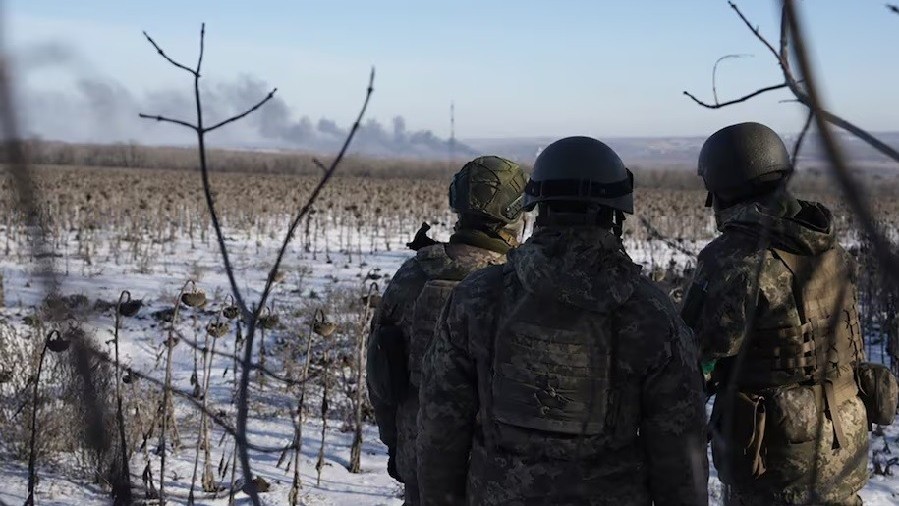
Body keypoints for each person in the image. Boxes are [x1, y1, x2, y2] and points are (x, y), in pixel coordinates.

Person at [417, 136, 709, 505]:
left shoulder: (476, 298)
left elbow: (441, 429)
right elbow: (681, 455)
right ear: (615, 214)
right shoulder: (651, 313)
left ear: (536, 207)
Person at [681, 121, 871, 505]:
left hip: (778, 461)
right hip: (847, 443)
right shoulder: (830, 249)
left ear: (722, 187)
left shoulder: (733, 259)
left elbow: (694, 357)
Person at [366, 155, 527, 505]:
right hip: (499, 475)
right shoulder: (521, 285)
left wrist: (397, 444)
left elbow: (380, 375)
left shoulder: (414, 274)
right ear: (515, 212)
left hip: (421, 462)